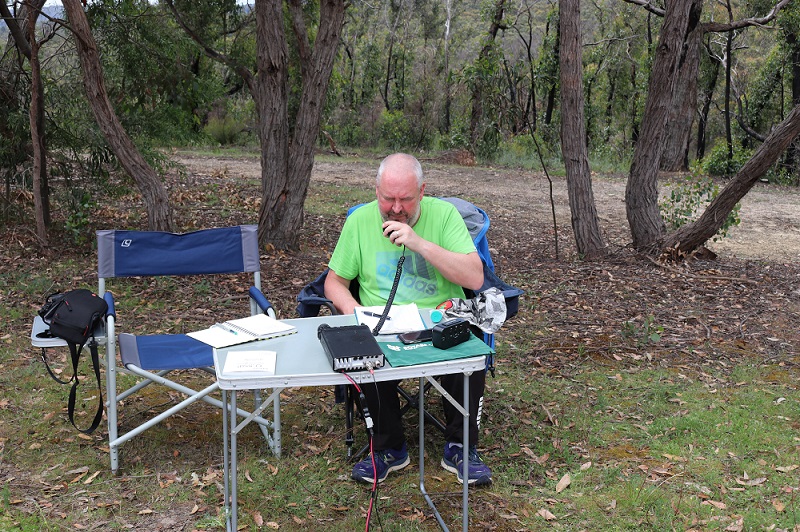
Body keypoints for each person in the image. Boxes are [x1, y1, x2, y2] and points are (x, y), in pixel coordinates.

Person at [324, 152, 492, 486]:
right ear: (376, 191)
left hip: (437, 321)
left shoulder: (444, 217)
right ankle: (389, 449)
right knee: (360, 350)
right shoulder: (359, 221)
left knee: (467, 342)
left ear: (422, 191)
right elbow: (334, 282)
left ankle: (461, 446)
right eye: (388, 199)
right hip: (379, 323)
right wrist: (355, 314)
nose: (397, 208)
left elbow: (474, 278)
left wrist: (419, 243)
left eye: (406, 199)